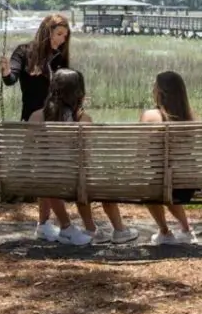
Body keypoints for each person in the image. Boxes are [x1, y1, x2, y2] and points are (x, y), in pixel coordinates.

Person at [28, 68, 140, 245]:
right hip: (72, 180)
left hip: (44, 180)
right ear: (78, 92)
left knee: (47, 174)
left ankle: (59, 226)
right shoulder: (83, 120)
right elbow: (86, 158)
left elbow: (28, 153)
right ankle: (97, 228)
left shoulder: (36, 116)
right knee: (82, 176)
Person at [0, 14, 71, 242]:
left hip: (55, 121)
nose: (62, 40)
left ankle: (43, 224)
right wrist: (5, 72)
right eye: (59, 34)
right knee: (46, 174)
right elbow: (11, 80)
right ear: (46, 31)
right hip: (33, 120)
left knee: (47, 174)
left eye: (65, 36)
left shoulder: (60, 57)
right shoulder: (24, 52)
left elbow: (65, 87)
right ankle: (56, 225)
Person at [140, 71, 200, 245]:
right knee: (170, 181)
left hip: (161, 184)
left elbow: (140, 153)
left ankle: (165, 232)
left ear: (160, 92)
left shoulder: (150, 116)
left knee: (156, 186)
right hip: (188, 185)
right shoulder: (190, 118)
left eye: (154, 86)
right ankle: (186, 229)